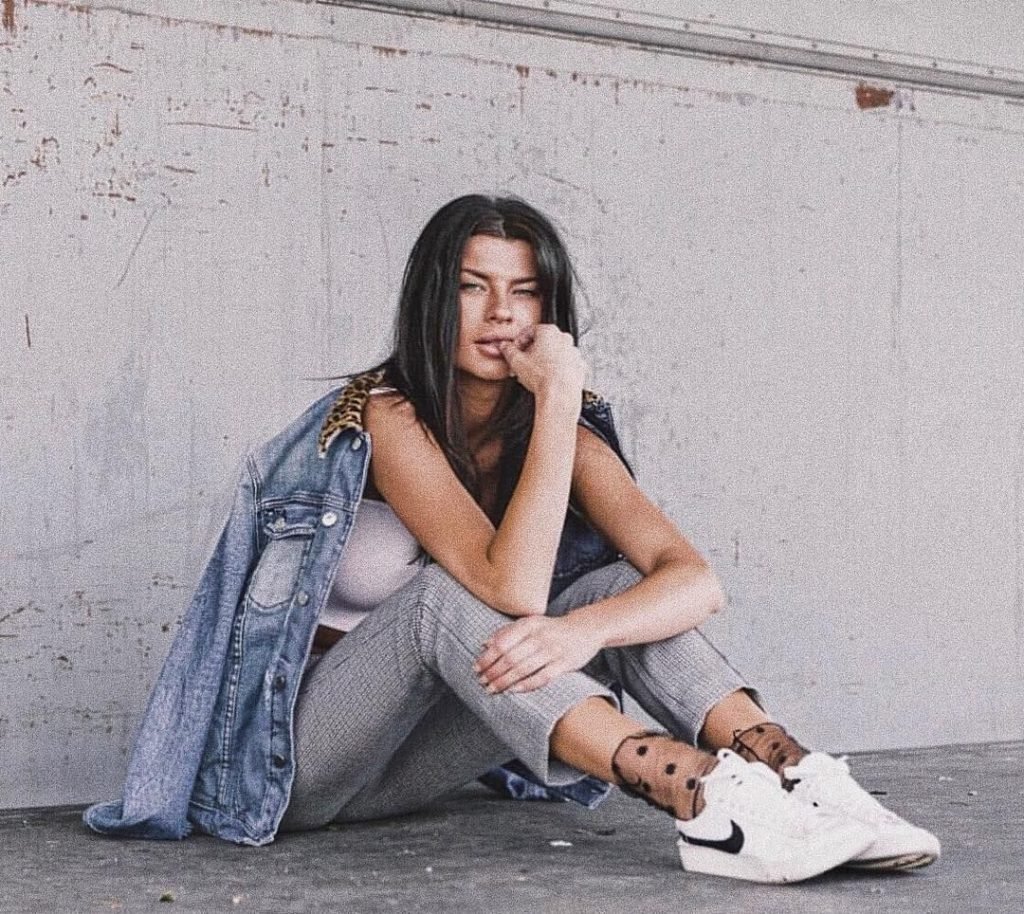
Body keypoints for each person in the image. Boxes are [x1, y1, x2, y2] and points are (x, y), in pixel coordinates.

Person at [85, 195, 939, 884]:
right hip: (289, 769)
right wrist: (561, 398)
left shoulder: (559, 433)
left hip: (412, 766)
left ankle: (796, 777)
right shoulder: (384, 416)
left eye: (524, 291)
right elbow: (514, 590)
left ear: (549, 310)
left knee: (617, 592)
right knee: (440, 601)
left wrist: (586, 629)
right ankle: (707, 798)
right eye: (473, 287)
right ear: (433, 298)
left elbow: (694, 581)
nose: (500, 314)